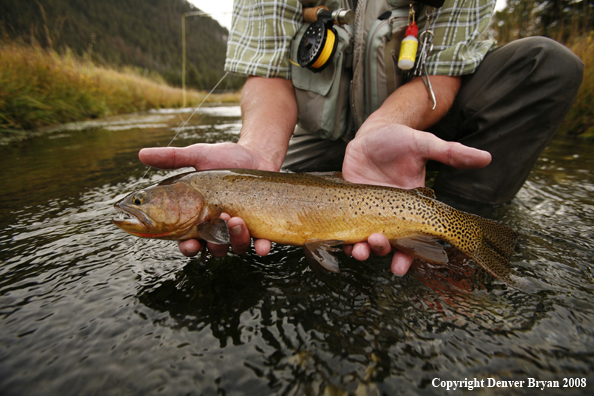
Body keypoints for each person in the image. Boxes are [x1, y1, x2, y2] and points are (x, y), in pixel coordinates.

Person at [139, 0, 583, 276]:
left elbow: (443, 74)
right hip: (315, 133)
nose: (138, 208)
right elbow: (268, 76)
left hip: (411, 125)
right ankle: (450, 231)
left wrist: (384, 126)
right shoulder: (208, 194)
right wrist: (258, 148)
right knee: (292, 195)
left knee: (546, 63)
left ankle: (465, 238)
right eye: (143, 203)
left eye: (143, 203)